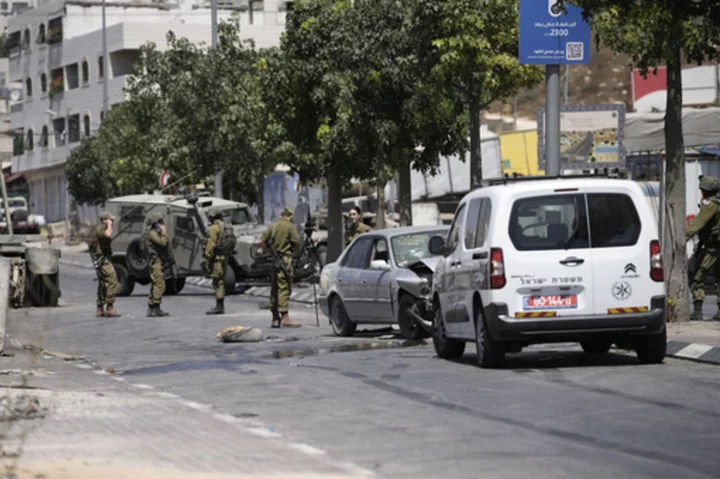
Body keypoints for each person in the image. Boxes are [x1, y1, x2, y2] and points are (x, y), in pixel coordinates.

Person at [261, 207, 302, 328]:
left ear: (281, 215)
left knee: (274, 287)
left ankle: (275, 318)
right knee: (284, 287)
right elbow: (297, 242)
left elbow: (262, 241)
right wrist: (290, 251)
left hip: (274, 261)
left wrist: (270, 252)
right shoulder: (290, 226)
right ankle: (285, 317)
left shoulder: (273, 226)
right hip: (285, 261)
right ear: (290, 216)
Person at [686, 175, 720, 321]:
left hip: (712, 249)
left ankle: (698, 311)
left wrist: (682, 238)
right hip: (715, 248)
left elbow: (697, 225)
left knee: (697, 277)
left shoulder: (711, 206)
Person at [90, 212, 121, 318]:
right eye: (109, 220)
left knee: (103, 283)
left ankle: (100, 308)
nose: (112, 222)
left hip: (104, 258)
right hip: (102, 260)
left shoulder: (101, 229)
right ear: (104, 220)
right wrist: (109, 225)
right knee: (113, 281)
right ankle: (109, 307)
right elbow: (108, 234)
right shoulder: (100, 229)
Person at [145, 212, 170, 318]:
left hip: (157, 261)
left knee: (155, 284)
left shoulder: (154, 232)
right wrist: (164, 232)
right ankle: (156, 308)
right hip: (155, 262)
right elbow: (163, 243)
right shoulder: (152, 233)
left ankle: (151, 308)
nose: (162, 224)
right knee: (159, 284)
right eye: (159, 222)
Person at [204, 208, 228, 315]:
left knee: (218, 282)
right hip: (225, 257)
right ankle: (220, 305)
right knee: (221, 280)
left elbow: (211, 244)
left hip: (217, 259)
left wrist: (207, 256)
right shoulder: (226, 226)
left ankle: (219, 306)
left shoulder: (214, 228)